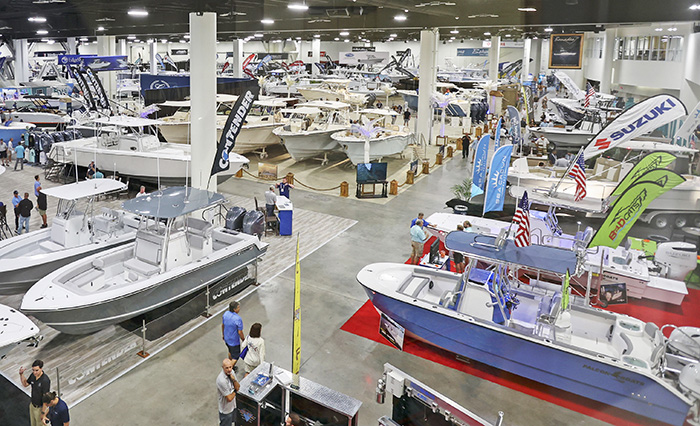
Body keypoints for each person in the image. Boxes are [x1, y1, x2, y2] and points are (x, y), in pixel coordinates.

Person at [19, 359, 51, 426]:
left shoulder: (45, 381)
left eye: (37, 370)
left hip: (40, 408)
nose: (34, 372)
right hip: (32, 405)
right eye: (33, 370)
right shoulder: (33, 376)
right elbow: (25, 384)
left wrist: (43, 413)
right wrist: (21, 374)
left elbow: (46, 399)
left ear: (41, 369)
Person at [216, 358, 240, 426]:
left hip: (233, 406)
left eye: (230, 367)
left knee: (235, 422)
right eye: (226, 368)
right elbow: (229, 398)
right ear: (222, 367)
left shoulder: (231, 372)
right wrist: (236, 391)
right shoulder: (221, 380)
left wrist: (234, 380)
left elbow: (238, 386)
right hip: (226, 410)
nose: (229, 369)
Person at [222, 301, 245, 369]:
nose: (239, 308)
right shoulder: (237, 319)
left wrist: (223, 334)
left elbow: (223, 325)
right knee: (236, 356)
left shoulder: (225, 314)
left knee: (230, 351)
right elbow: (240, 332)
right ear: (234, 309)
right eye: (238, 307)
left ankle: (231, 365)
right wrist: (243, 340)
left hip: (227, 338)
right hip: (234, 341)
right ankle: (229, 369)